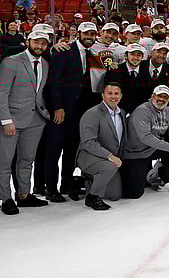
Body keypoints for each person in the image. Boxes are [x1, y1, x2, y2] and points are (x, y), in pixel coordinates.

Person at [44, 21, 99, 202]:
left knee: (71, 150)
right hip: (61, 111)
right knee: (53, 151)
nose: (89, 37)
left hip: (79, 113)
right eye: (86, 33)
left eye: (92, 34)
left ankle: (66, 184)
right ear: (79, 34)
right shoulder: (64, 51)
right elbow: (54, 81)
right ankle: (50, 189)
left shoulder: (93, 54)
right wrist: (57, 107)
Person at [0, 31, 50, 215]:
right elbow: (2, 93)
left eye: (44, 43)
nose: (39, 46)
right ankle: (6, 198)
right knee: (4, 161)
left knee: (27, 159)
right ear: (28, 41)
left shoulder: (44, 63)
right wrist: (6, 120)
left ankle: (24, 194)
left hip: (35, 119)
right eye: (36, 42)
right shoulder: (11, 61)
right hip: (11, 120)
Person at [123, 86, 169, 196]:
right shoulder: (142, 111)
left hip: (153, 149)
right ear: (153, 96)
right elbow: (146, 137)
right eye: (159, 96)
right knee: (135, 193)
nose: (162, 99)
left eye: (165, 97)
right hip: (136, 153)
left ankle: (165, 181)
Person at [76, 83, 127, 210]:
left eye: (116, 94)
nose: (113, 97)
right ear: (103, 95)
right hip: (90, 157)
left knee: (114, 195)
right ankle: (92, 197)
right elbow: (88, 142)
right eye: (109, 93)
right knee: (110, 167)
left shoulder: (122, 113)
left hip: (109, 159)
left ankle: (85, 182)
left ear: (121, 96)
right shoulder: (92, 114)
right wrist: (110, 157)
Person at [103, 43, 150, 113]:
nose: (135, 58)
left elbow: (145, 97)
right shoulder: (114, 72)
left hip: (138, 113)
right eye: (132, 54)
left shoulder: (146, 74)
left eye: (139, 55)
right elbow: (108, 95)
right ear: (125, 56)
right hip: (116, 112)